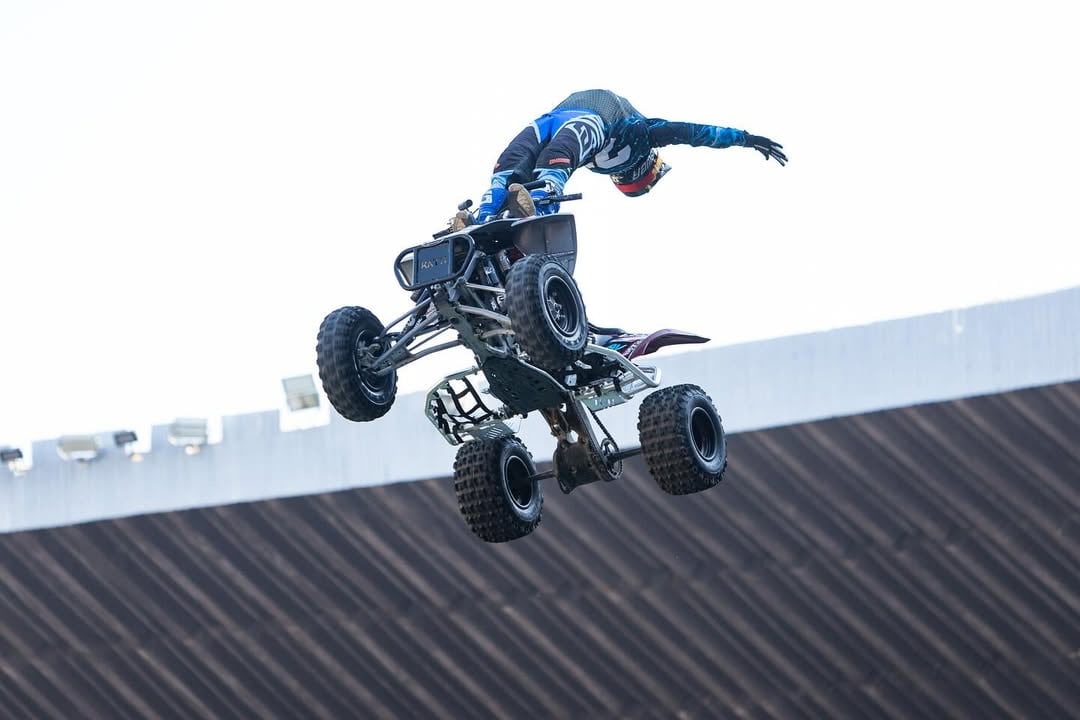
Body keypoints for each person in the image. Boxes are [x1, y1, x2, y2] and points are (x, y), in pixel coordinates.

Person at [453, 88, 787, 229]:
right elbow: (692, 133)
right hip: (586, 119)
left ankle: (484, 214)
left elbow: (692, 133)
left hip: (551, 121)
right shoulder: (641, 133)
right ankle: (524, 208)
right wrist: (744, 138)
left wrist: (743, 139)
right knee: (547, 166)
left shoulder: (634, 142)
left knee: (513, 168)